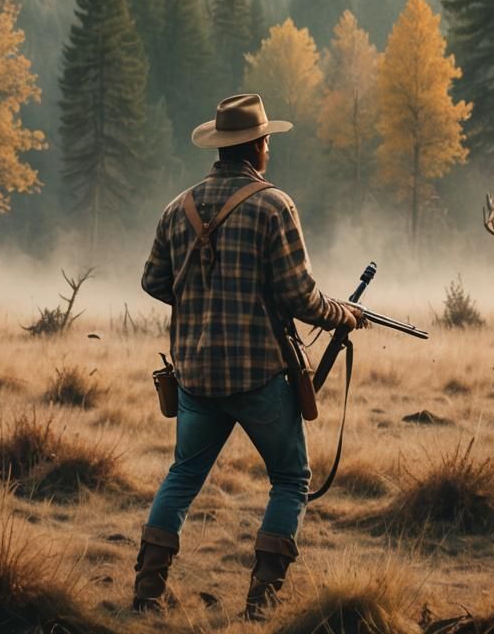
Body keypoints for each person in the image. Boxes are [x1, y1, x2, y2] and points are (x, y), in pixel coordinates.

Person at [133, 93, 366, 620]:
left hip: (195, 376)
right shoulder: (274, 205)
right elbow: (301, 297)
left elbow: (153, 282)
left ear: (220, 147)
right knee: (290, 479)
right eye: (267, 142)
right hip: (259, 375)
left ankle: (146, 592)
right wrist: (344, 315)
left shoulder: (178, 208)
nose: (268, 150)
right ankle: (261, 605)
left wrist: (202, 299)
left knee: (183, 475)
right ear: (258, 146)